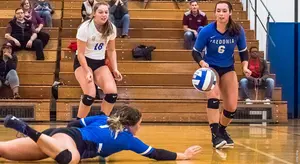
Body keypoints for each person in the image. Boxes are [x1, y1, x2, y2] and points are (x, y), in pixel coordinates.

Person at [2, 106, 201, 163]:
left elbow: (74, 123)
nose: (139, 128)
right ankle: (25, 128)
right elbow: (155, 154)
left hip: (58, 136)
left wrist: (56, 135)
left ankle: (32, 134)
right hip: (71, 141)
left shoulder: (102, 119)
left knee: (3, 150)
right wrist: (183, 155)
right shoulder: (127, 139)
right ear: (130, 125)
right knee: (70, 159)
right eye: (139, 125)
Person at [191, 1, 252, 149]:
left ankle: (222, 130)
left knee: (231, 106)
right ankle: (215, 136)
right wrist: (201, 63)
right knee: (213, 97)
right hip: (211, 67)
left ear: (230, 13)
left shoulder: (237, 30)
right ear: (215, 13)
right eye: (218, 11)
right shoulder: (206, 31)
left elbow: (243, 51)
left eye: (224, 11)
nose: (221, 14)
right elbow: (195, 52)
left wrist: (245, 67)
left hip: (228, 68)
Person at [74, 1, 122, 119]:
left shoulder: (111, 28)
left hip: (99, 62)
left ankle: (101, 121)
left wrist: (115, 68)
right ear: (94, 14)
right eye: (100, 12)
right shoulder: (85, 28)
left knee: (112, 94)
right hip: (83, 62)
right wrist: (87, 71)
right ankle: (78, 124)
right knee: (90, 95)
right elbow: (80, 54)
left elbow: (111, 50)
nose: (104, 15)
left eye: (106, 12)